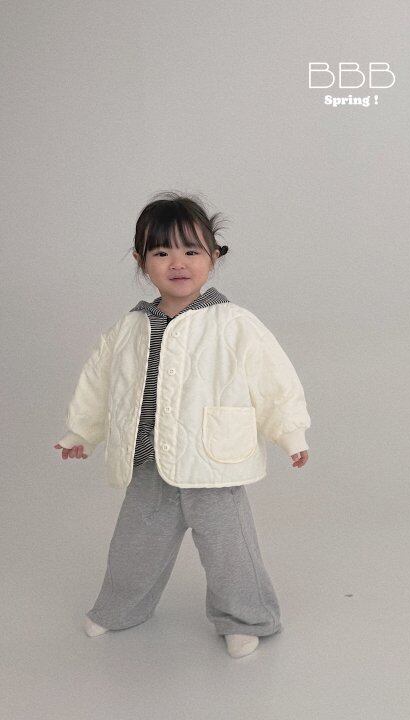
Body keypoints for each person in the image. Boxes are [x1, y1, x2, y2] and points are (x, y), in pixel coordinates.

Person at [53, 192, 311, 658]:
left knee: (230, 549)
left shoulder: (233, 322)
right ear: (141, 260)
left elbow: (274, 379)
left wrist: (290, 432)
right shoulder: (131, 326)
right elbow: (100, 382)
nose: (178, 263)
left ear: (214, 257)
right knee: (133, 546)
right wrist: (82, 433)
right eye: (161, 252)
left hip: (212, 461)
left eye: (192, 250)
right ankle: (120, 609)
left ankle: (247, 617)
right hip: (148, 460)